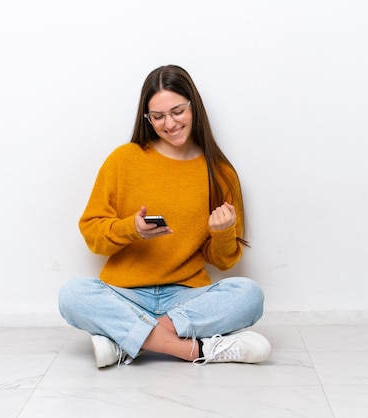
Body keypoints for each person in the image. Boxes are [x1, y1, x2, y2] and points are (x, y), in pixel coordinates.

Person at [58, 65, 271, 368]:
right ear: (147, 118)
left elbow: (223, 262)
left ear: (193, 106)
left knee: (249, 294)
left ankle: (126, 341)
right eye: (157, 117)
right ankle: (193, 350)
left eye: (177, 111)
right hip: (125, 295)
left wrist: (223, 232)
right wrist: (131, 229)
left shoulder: (220, 173)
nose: (169, 124)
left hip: (184, 299)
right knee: (72, 295)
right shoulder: (124, 159)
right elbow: (93, 235)